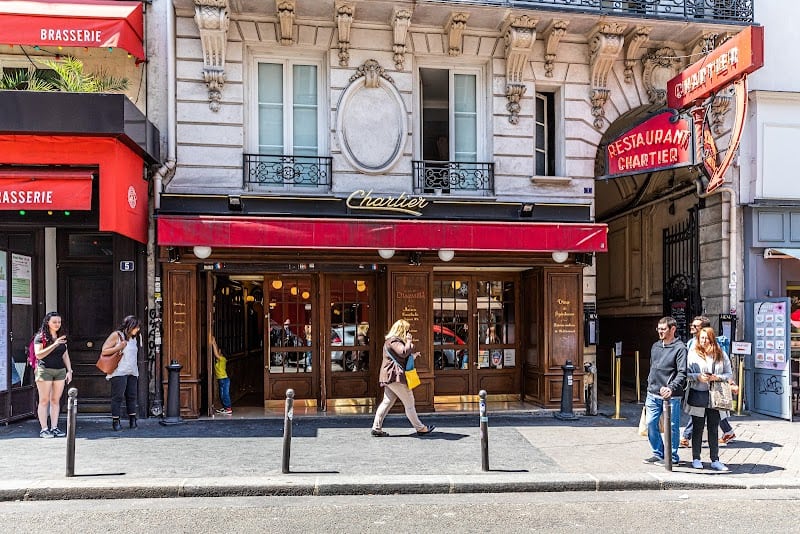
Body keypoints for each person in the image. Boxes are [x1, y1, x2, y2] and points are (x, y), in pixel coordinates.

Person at [371, 319, 434, 437]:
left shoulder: (390, 341)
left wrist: (412, 356)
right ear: (402, 330)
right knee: (409, 403)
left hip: (390, 377)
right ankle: (421, 428)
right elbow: (403, 352)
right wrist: (409, 341)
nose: (409, 333)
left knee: (387, 402)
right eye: (407, 330)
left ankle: (376, 428)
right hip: (396, 377)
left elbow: (400, 356)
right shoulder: (394, 341)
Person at [681, 316, 736, 446]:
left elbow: (727, 371)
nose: (692, 328)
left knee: (713, 411)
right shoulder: (692, 343)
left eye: (695, 326)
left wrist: (718, 377)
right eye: (692, 325)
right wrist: (697, 376)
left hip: (715, 388)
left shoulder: (718, 351)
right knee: (702, 411)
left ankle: (687, 437)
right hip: (698, 387)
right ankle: (727, 431)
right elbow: (687, 369)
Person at [685, 326, 732, 471]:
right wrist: (698, 377)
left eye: (707, 338)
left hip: (715, 396)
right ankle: (696, 458)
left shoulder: (720, 353)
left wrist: (716, 377)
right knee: (697, 428)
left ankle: (715, 459)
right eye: (702, 338)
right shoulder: (692, 354)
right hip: (698, 393)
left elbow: (729, 373)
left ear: (712, 338)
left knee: (713, 428)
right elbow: (685, 373)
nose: (704, 341)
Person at [643, 316, 687, 466]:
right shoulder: (655, 346)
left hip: (671, 395)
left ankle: (672, 456)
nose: (660, 332)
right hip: (653, 392)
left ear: (672, 329)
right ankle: (658, 452)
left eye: (663, 329)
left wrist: (671, 387)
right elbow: (653, 366)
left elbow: (682, 372)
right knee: (650, 423)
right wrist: (650, 383)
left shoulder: (680, 348)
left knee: (673, 426)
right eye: (659, 329)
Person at [33, 311, 72, 438]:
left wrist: (69, 370)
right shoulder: (40, 336)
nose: (57, 324)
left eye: (59, 322)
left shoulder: (61, 336)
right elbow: (39, 355)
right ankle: (44, 429)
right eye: (54, 322)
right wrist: (54, 344)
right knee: (44, 400)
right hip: (45, 370)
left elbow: (65, 354)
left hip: (60, 370)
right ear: (47, 323)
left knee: (55, 400)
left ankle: (54, 427)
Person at [102, 315, 141, 431]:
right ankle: (116, 421)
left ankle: (132, 420)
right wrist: (119, 346)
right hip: (119, 371)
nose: (138, 329)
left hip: (132, 371)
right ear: (130, 326)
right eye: (136, 327)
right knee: (118, 397)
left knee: (132, 396)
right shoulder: (117, 335)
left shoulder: (135, 338)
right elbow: (104, 350)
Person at [211, 335, 232, 414]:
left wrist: (213, 343)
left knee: (225, 395)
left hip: (224, 379)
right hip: (221, 379)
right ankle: (225, 408)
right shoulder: (220, 359)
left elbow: (216, 354)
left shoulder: (223, 359)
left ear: (222, 353)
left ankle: (228, 408)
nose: (218, 351)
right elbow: (216, 352)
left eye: (219, 351)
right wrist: (214, 341)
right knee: (222, 395)